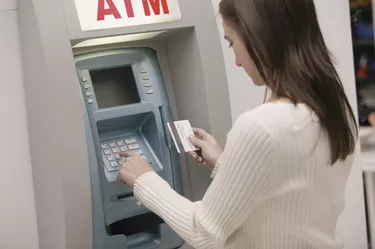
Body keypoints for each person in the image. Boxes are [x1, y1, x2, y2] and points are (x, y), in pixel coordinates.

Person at [117, 0, 358, 248]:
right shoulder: (334, 111)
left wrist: (143, 179)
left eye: (231, 42)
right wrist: (226, 164)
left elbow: (204, 232)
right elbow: (288, 196)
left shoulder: (260, 127)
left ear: (257, 34)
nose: (237, 62)